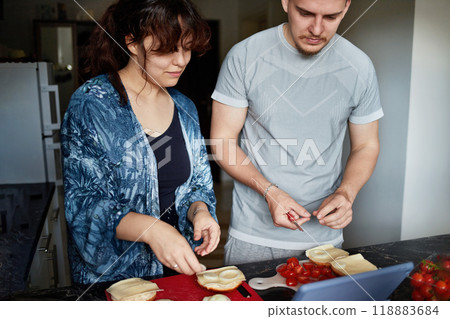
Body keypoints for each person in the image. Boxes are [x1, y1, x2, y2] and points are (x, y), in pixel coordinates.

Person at [210, 0, 383, 265]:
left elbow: (366, 146)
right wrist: (270, 192)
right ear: (286, 2)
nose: (316, 28)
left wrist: (346, 193)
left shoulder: (360, 66)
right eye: (305, 13)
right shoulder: (244, 55)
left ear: (346, 7)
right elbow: (223, 142)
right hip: (253, 236)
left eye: (331, 17)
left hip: (325, 240)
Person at [61, 0, 220, 284]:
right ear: (132, 42)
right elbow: (83, 206)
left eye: (186, 47)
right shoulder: (92, 104)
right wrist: (154, 230)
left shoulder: (184, 107)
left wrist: (201, 213)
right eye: (168, 49)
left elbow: (198, 185)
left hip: (174, 270)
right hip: (115, 281)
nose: (181, 60)